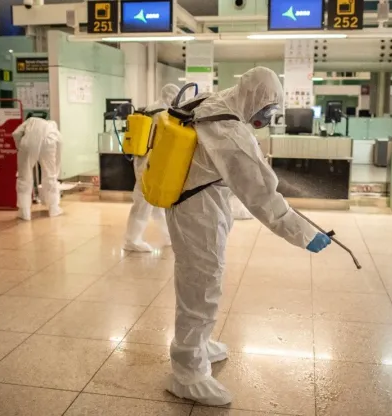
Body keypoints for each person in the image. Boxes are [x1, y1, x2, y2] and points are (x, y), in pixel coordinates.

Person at [165, 67, 331, 406]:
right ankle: (187, 371)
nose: (266, 118)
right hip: (197, 211)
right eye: (267, 110)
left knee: (201, 280)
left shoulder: (214, 101)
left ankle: (197, 342)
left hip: (197, 202)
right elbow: (262, 196)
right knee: (202, 283)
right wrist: (303, 233)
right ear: (255, 98)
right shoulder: (227, 130)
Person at [123, 84, 180, 252]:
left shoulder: (149, 108)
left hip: (142, 159)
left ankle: (169, 236)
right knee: (142, 201)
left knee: (156, 202)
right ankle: (132, 240)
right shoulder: (162, 113)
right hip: (150, 162)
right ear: (171, 96)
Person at [12, 114, 63, 220]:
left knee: (24, 176)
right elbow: (59, 149)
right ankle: (53, 208)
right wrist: (56, 171)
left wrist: (20, 146)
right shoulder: (52, 127)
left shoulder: (30, 121)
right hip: (50, 141)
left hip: (29, 143)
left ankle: (24, 212)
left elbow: (15, 133)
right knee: (50, 175)